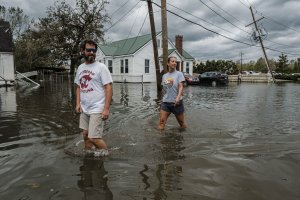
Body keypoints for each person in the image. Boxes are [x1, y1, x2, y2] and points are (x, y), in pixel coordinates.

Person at [74, 39, 113, 153]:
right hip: (84, 108)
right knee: (85, 135)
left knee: (94, 138)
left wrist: (106, 109)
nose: (91, 52)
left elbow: (109, 88)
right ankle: (88, 154)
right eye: (88, 50)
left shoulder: (101, 67)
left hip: (97, 108)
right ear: (82, 51)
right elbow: (78, 86)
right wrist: (77, 103)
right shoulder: (80, 68)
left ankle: (106, 154)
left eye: (93, 50)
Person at [158, 56, 187, 130]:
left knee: (182, 124)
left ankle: (184, 137)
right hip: (166, 103)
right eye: (172, 61)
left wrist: (178, 97)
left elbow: (180, 86)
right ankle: (160, 140)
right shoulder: (164, 76)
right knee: (161, 123)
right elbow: (164, 89)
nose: (175, 63)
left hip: (176, 103)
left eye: (175, 62)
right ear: (168, 63)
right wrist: (163, 98)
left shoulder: (179, 74)